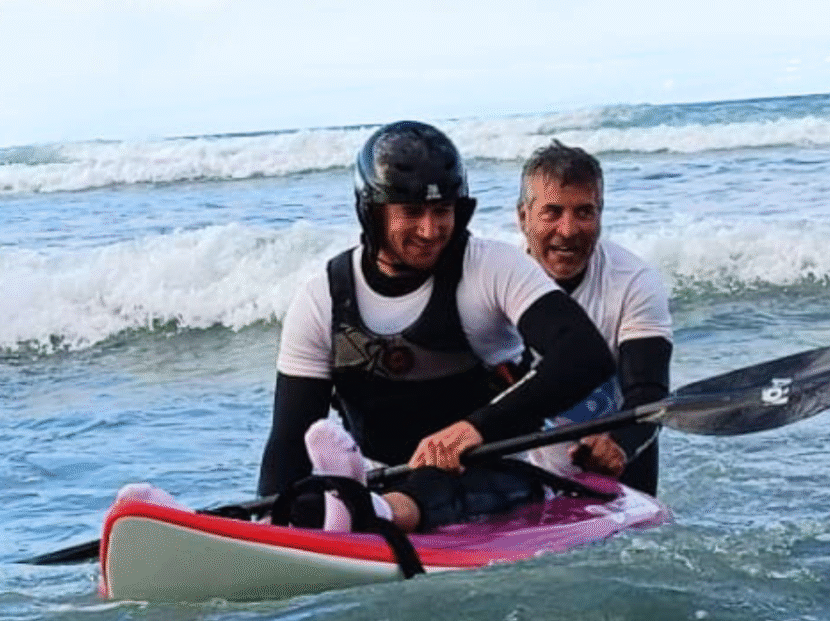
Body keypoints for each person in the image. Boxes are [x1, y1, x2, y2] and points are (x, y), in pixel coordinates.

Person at [258, 120, 616, 533]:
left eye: (442, 211)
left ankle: (370, 512)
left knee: (434, 486)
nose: (430, 231)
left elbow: (584, 355)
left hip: (494, 476)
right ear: (373, 213)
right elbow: (289, 440)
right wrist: (268, 525)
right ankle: (354, 505)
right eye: (411, 212)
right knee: (300, 503)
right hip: (379, 476)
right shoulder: (322, 298)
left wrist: (473, 430)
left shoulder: (491, 267)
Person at [516, 140, 673, 495]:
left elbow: (648, 392)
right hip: (524, 471)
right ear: (523, 217)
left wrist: (619, 445)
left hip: (617, 464)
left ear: (601, 213)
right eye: (552, 212)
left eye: (584, 212)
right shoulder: (496, 282)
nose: (568, 230)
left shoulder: (634, 281)